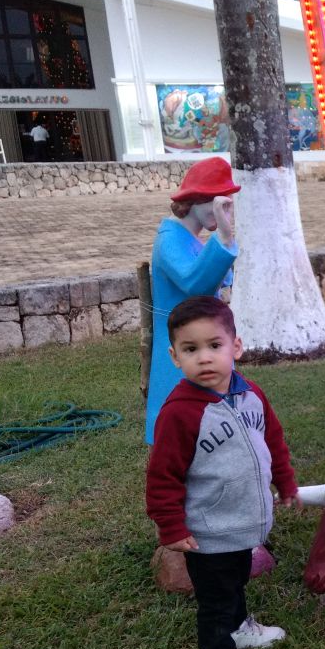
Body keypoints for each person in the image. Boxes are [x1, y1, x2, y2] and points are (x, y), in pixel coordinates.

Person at [146, 296, 299, 649]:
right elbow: (162, 476)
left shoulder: (251, 395)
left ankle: (239, 627)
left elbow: (273, 441)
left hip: (242, 523)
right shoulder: (179, 413)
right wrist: (171, 528)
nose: (204, 358)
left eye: (215, 345)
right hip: (208, 531)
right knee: (214, 600)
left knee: (235, 582)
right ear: (174, 357)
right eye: (190, 349)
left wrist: (285, 482)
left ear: (236, 346)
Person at [145, 157, 240, 444]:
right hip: (181, 344)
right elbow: (195, 284)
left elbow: (221, 279)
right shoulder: (169, 240)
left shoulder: (192, 240)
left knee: (210, 412)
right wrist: (224, 237)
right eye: (215, 201)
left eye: (226, 203)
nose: (221, 209)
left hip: (201, 338)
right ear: (195, 200)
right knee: (180, 419)